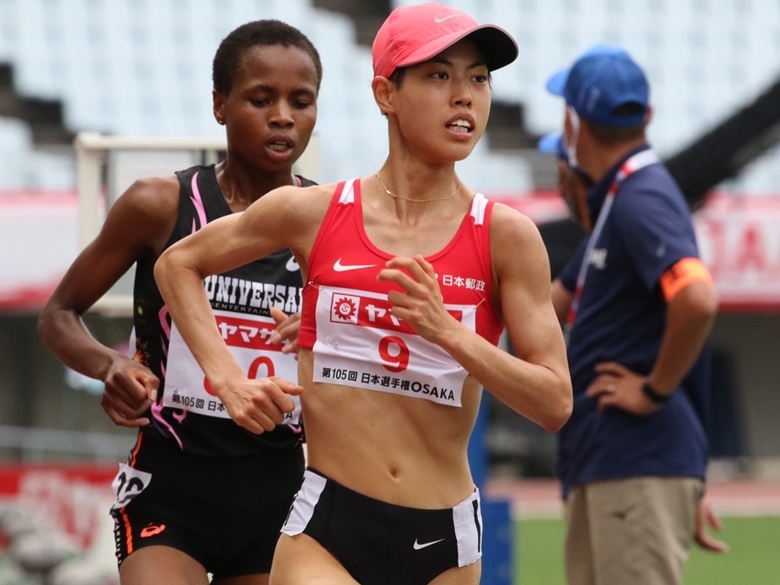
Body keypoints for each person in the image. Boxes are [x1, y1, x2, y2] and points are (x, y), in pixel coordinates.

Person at [154, 4, 573, 584]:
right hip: (327, 528)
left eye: (478, 78)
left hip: (443, 540)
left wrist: (447, 331)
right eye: (439, 75)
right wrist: (226, 378)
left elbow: (554, 403)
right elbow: (178, 264)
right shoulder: (313, 212)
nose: (465, 96)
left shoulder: (506, 236)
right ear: (386, 94)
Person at [37, 20, 322, 585]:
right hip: (170, 484)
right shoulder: (159, 205)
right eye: (261, 99)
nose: (283, 116)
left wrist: (316, 337)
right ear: (220, 105)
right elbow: (58, 314)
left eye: (301, 100)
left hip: (278, 488)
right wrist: (110, 365)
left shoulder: (329, 222)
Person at [543, 44, 729, 585]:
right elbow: (546, 304)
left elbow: (696, 297)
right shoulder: (620, 198)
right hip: (615, 461)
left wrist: (652, 392)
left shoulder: (640, 195)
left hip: (634, 458)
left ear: (571, 121)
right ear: (645, 116)